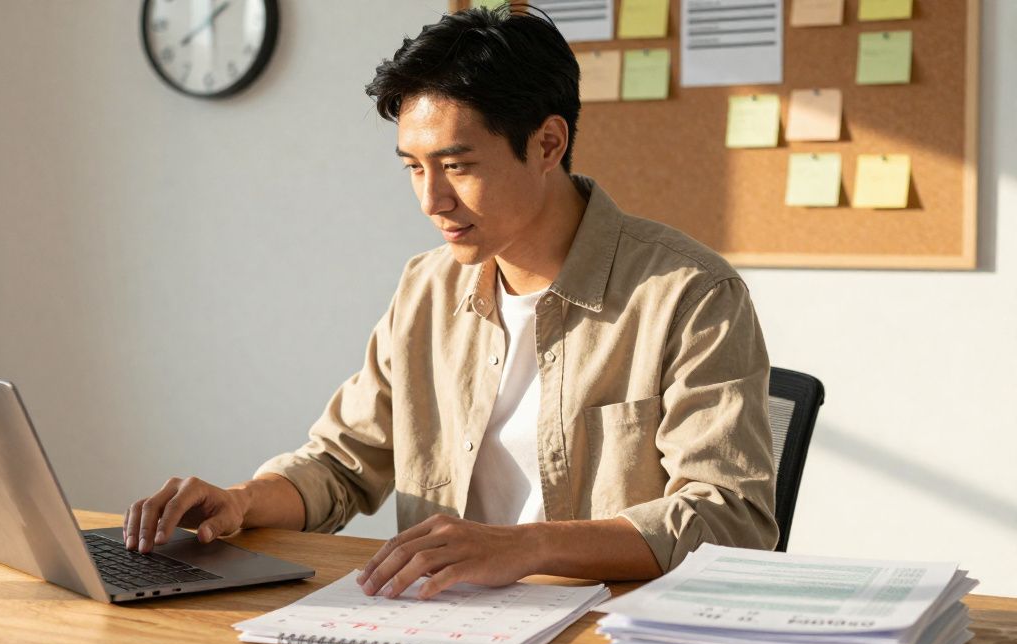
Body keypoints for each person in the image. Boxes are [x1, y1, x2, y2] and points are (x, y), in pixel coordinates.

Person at [124, 5, 777, 600]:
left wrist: (524, 547)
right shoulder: (427, 288)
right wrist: (240, 502)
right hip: (443, 629)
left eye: (457, 166)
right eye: (413, 166)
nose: (430, 200)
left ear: (548, 143)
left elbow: (729, 521)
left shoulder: (688, 294)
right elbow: (343, 466)